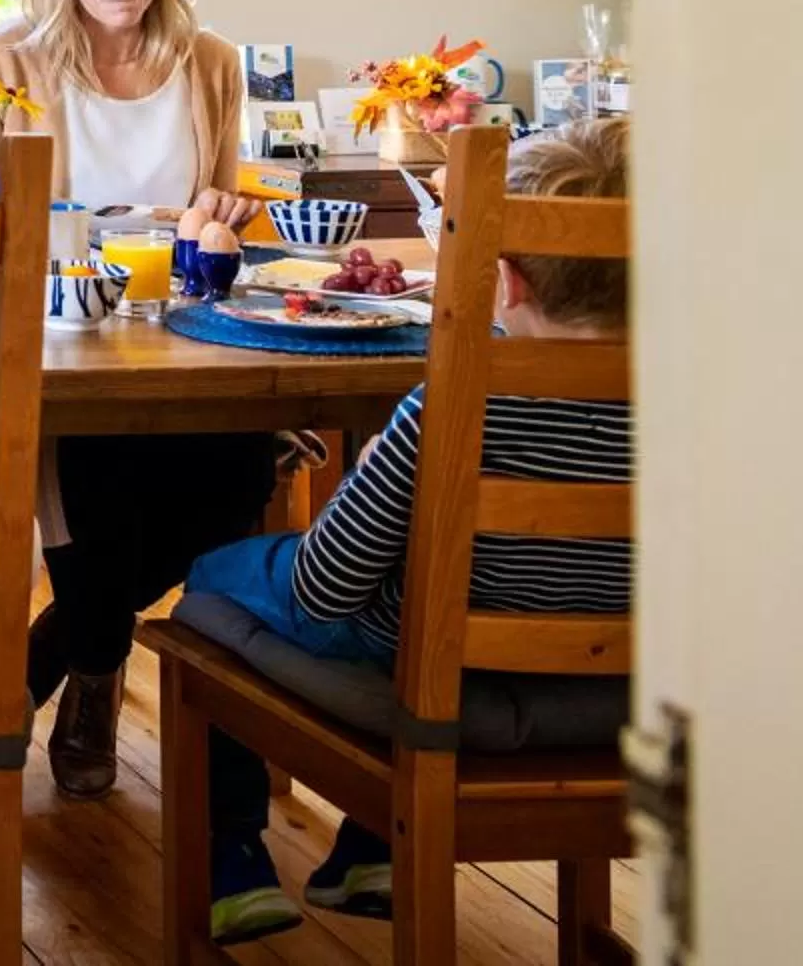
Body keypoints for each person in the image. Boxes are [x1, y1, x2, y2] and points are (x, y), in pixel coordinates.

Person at [184, 118, 635, 944]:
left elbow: (327, 590)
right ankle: (364, 855)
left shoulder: (460, 406)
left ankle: (231, 853)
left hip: (439, 684)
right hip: (626, 696)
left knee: (214, 576)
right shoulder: (705, 409)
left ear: (506, 281)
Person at [0, 0, 272, 798]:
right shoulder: (6, 61)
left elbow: (220, 203)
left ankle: (72, 656)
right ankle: (90, 669)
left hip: (186, 341)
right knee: (95, 474)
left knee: (235, 479)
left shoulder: (210, 64)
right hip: (64, 343)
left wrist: (221, 217)